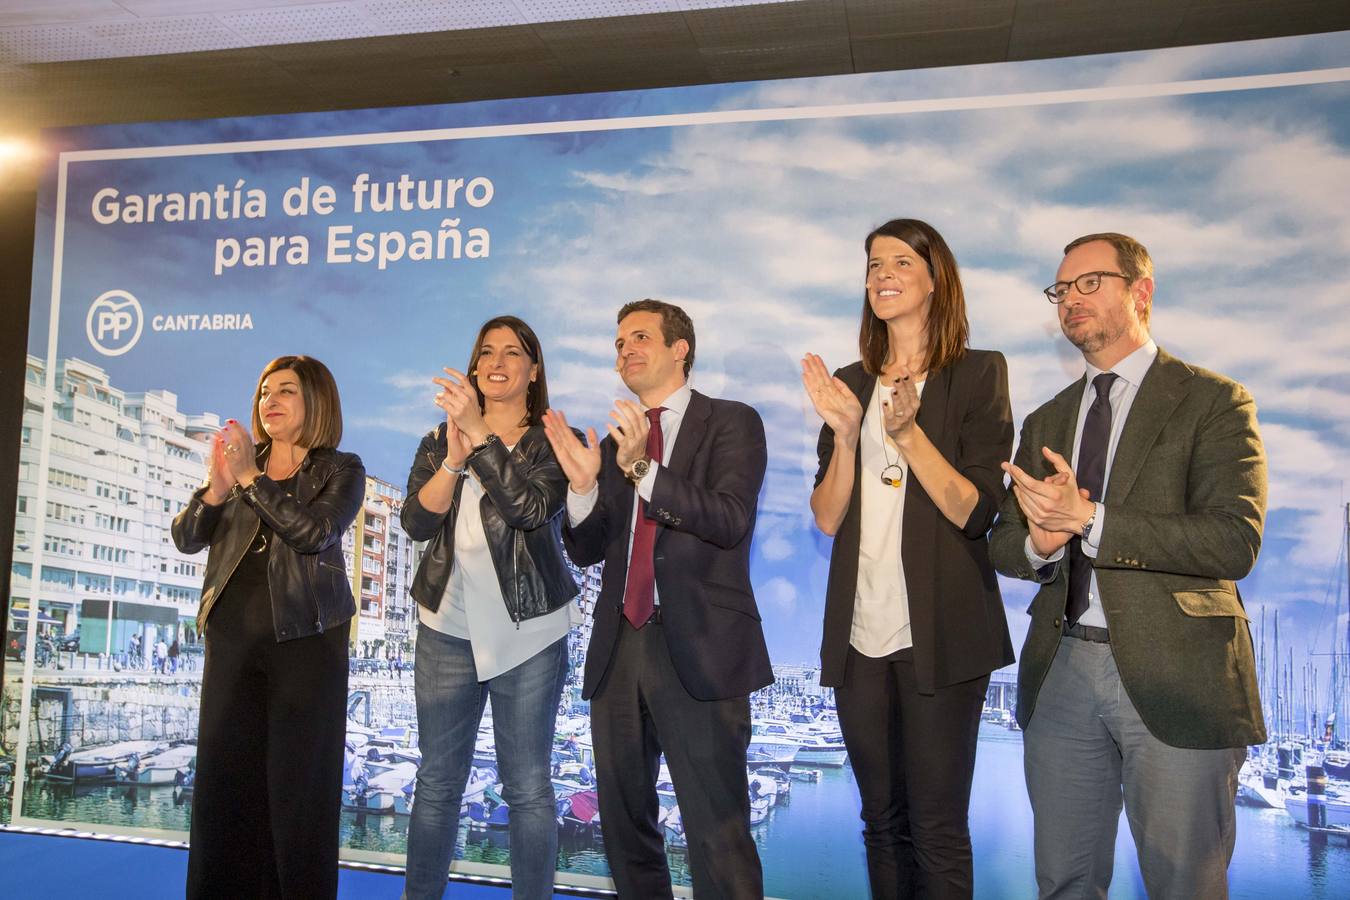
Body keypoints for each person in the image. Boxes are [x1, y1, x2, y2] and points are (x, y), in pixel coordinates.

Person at [989, 233, 1267, 899]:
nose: (1070, 301)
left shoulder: (1214, 401)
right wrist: (1044, 542)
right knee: (1065, 883)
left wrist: (1093, 521)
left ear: (1141, 292)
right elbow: (1006, 544)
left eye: (1089, 283)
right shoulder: (1047, 418)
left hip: (1180, 679)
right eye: (1061, 290)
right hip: (1061, 676)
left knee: (1184, 884)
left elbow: (1233, 541)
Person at [803, 218, 1014, 899]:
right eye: (871, 264)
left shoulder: (979, 374)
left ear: (935, 278)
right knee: (880, 823)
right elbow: (827, 516)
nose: (880, 274)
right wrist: (845, 435)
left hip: (943, 637)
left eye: (898, 260)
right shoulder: (848, 383)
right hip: (860, 638)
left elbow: (975, 510)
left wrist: (907, 433)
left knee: (937, 827)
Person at [543, 299, 772, 900]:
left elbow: (728, 519)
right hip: (619, 651)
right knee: (625, 834)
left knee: (718, 836)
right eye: (618, 343)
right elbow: (590, 548)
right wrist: (586, 488)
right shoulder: (621, 439)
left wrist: (641, 466)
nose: (625, 351)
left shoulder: (732, 421)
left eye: (640, 337)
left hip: (699, 649)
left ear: (681, 348)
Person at [171, 355, 364, 899]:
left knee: (297, 792)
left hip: (306, 646)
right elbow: (187, 537)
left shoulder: (339, 469)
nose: (268, 401)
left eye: (285, 391)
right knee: (225, 787)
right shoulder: (238, 466)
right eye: (262, 392)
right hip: (233, 644)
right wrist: (215, 485)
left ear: (317, 402)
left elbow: (312, 532)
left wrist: (252, 479)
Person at [401, 316, 576, 900]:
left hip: (529, 632)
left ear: (533, 369)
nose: (496, 362)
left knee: (526, 788)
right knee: (436, 785)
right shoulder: (437, 438)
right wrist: (453, 458)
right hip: (446, 627)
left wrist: (479, 438)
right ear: (474, 367)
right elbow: (416, 522)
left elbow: (529, 509)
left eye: (511, 353)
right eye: (485, 353)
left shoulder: (553, 437)